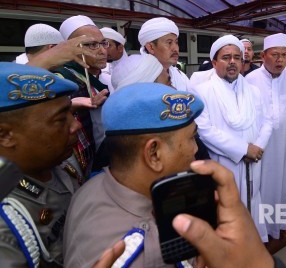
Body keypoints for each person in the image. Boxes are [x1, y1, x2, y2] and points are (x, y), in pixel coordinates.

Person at [63, 83, 204, 267]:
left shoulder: (96, 187)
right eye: (192, 138)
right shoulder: (137, 255)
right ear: (153, 154)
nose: (196, 149)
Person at [0, 62, 82, 267]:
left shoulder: (60, 161)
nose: (76, 125)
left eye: (72, 114)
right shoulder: (6, 223)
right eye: (61, 119)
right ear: (5, 135)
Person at [191, 35, 272, 241]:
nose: (233, 62)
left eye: (237, 57)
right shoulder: (202, 91)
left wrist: (257, 148)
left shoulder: (253, 91)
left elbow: (267, 122)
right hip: (225, 162)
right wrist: (243, 149)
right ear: (215, 62)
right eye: (226, 57)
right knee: (226, 208)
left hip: (254, 161)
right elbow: (204, 129)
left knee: (252, 201)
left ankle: (252, 244)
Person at [246, 33, 286, 240]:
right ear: (263, 55)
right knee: (259, 188)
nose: (280, 60)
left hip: (285, 146)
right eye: (275, 55)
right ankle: (257, 229)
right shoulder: (250, 80)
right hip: (260, 147)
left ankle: (276, 226)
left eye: (284, 55)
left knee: (282, 186)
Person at [55, 15, 110, 177]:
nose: (102, 50)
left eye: (103, 43)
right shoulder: (62, 78)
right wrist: (71, 106)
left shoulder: (104, 78)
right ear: (71, 48)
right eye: (91, 45)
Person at [138, 17, 189, 91]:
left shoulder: (181, 76)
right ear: (150, 47)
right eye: (169, 42)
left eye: (176, 42)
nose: (176, 49)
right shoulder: (139, 79)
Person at [99, 27, 129, 93]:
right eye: (100, 45)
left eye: (107, 45)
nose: (103, 50)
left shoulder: (133, 68)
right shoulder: (99, 69)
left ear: (120, 48)